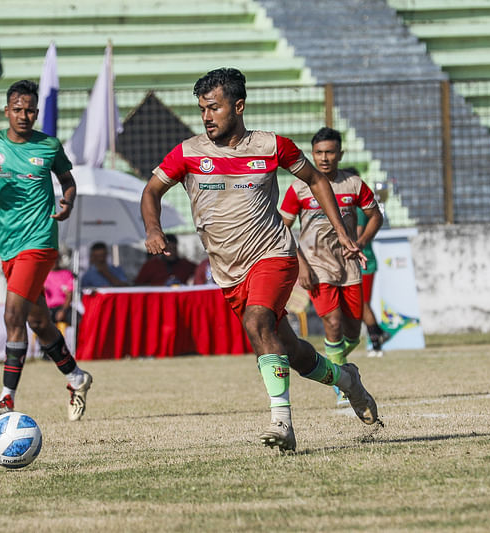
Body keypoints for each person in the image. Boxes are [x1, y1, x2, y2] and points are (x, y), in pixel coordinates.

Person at [140, 68, 379, 452]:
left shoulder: (272, 146)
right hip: (228, 272)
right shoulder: (187, 152)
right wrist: (153, 229)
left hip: (273, 255)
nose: (206, 117)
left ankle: (282, 422)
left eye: (214, 108)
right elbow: (151, 191)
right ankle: (347, 379)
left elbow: (317, 180)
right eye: (202, 109)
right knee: (294, 353)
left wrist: (342, 231)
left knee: (257, 320)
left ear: (238, 106)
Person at [0, 79, 92, 422]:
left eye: (30, 110)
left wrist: (67, 203)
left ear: (36, 112)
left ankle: (6, 399)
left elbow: (68, 181)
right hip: (9, 247)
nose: (24, 115)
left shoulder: (48, 146)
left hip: (40, 242)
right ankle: (76, 377)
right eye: (18, 109)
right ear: (7, 111)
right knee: (39, 322)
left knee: (12, 317)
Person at [279, 130, 383, 405]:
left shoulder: (353, 184)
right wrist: (301, 265)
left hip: (348, 267)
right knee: (332, 322)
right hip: (316, 265)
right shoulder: (299, 188)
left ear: (340, 154)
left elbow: (376, 216)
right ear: (312, 154)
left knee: (352, 332)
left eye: (330, 152)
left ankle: (338, 365)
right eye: (319, 152)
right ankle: (342, 389)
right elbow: (283, 228)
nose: (324, 158)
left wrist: (359, 242)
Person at [355, 203, 390, 358]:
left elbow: (357, 235)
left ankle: (376, 342)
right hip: (355, 264)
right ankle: (379, 333)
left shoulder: (357, 209)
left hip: (365, 264)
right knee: (358, 304)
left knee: (363, 304)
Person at [44, 253, 75, 333]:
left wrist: (63, 311)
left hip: (63, 307)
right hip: (47, 309)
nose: (54, 262)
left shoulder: (67, 274)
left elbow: (69, 295)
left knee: (79, 321)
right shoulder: (42, 274)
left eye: (55, 259)